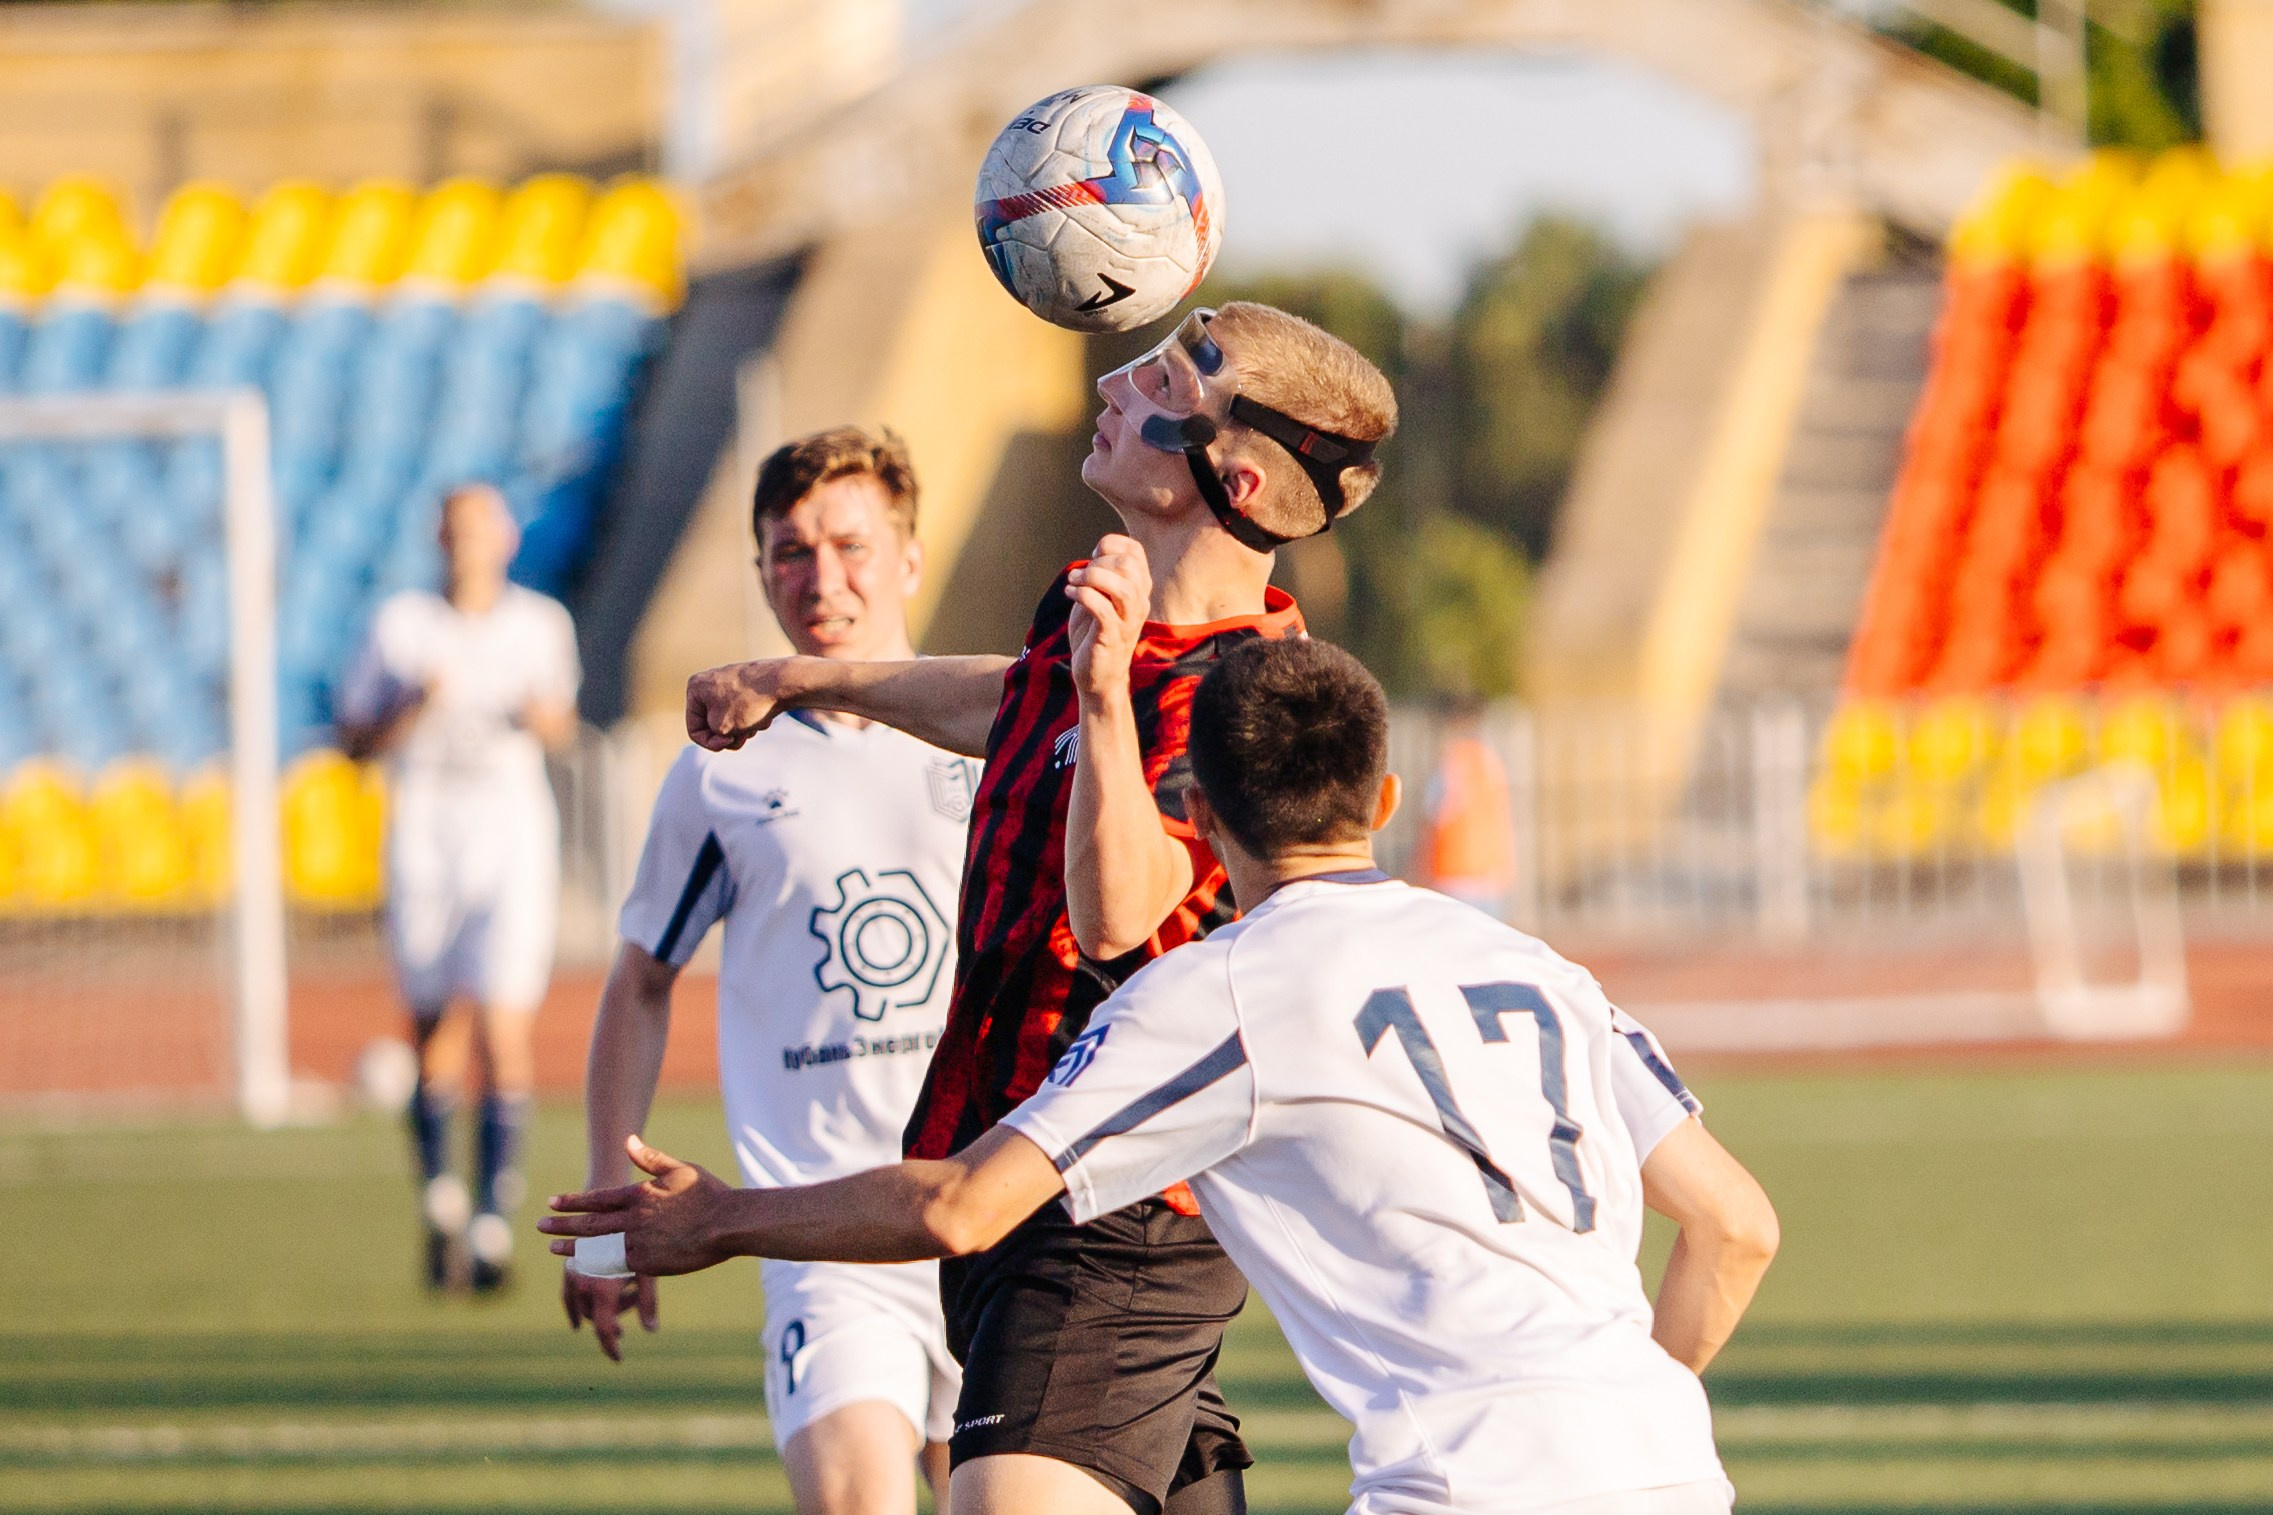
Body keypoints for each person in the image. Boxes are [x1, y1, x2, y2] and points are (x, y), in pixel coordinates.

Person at [543, 635, 1781, 1515]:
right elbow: (1734, 1228)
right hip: (1673, 1472)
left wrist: (717, 1222)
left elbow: (962, 1207)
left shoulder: (1216, 990)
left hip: (1465, 1487)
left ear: (1191, 807)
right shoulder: (1540, 968)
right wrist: (1617, 1426)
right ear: (1384, 797)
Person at [672, 302, 1398, 1515]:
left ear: (1237, 474)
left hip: (1108, 1231)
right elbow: (1013, 701)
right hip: (1041, 1211)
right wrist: (798, 677)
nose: (1111, 385)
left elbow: (1123, 913)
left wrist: (1103, 690)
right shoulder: (1106, 618)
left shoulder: (1244, 695)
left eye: (1159, 379)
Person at [568, 427, 967, 1514]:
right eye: (789, 552)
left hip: (994, 1219)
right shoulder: (722, 773)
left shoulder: (990, 727)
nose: (821, 577)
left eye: (849, 543)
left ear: (909, 558)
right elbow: (640, 981)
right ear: (759, 573)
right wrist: (612, 1209)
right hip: (821, 1236)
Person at [336, 482, 580, 1293]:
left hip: (508, 833)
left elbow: (562, 727)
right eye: (456, 526)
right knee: (432, 1026)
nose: (469, 541)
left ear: (505, 536)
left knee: (503, 1026)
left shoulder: (539, 624)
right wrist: (410, 706)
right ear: (438, 536)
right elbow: (353, 741)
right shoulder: (401, 625)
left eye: (483, 525)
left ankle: (490, 1224)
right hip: (425, 832)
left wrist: (542, 718)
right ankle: (441, 1203)